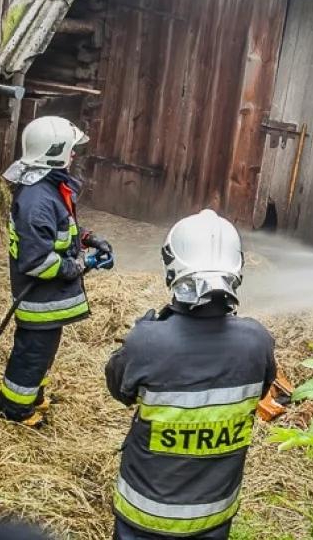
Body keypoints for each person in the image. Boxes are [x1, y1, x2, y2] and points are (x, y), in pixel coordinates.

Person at [105, 209, 276, 540]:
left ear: (172, 266)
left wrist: (141, 335)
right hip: (214, 517)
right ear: (237, 268)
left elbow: (119, 388)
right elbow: (261, 388)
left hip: (143, 516)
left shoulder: (148, 341)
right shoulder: (258, 341)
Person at [0, 116, 114, 428]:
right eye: (70, 149)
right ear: (55, 152)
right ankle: (15, 410)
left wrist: (88, 238)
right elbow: (37, 262)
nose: (74, 154)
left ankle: (32, 395)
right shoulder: (37, 201)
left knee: (41, 353)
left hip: (48, 300)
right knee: (31, 355)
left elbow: (63, 228)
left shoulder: (48, 188)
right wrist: (81, 265)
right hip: (39, 298)